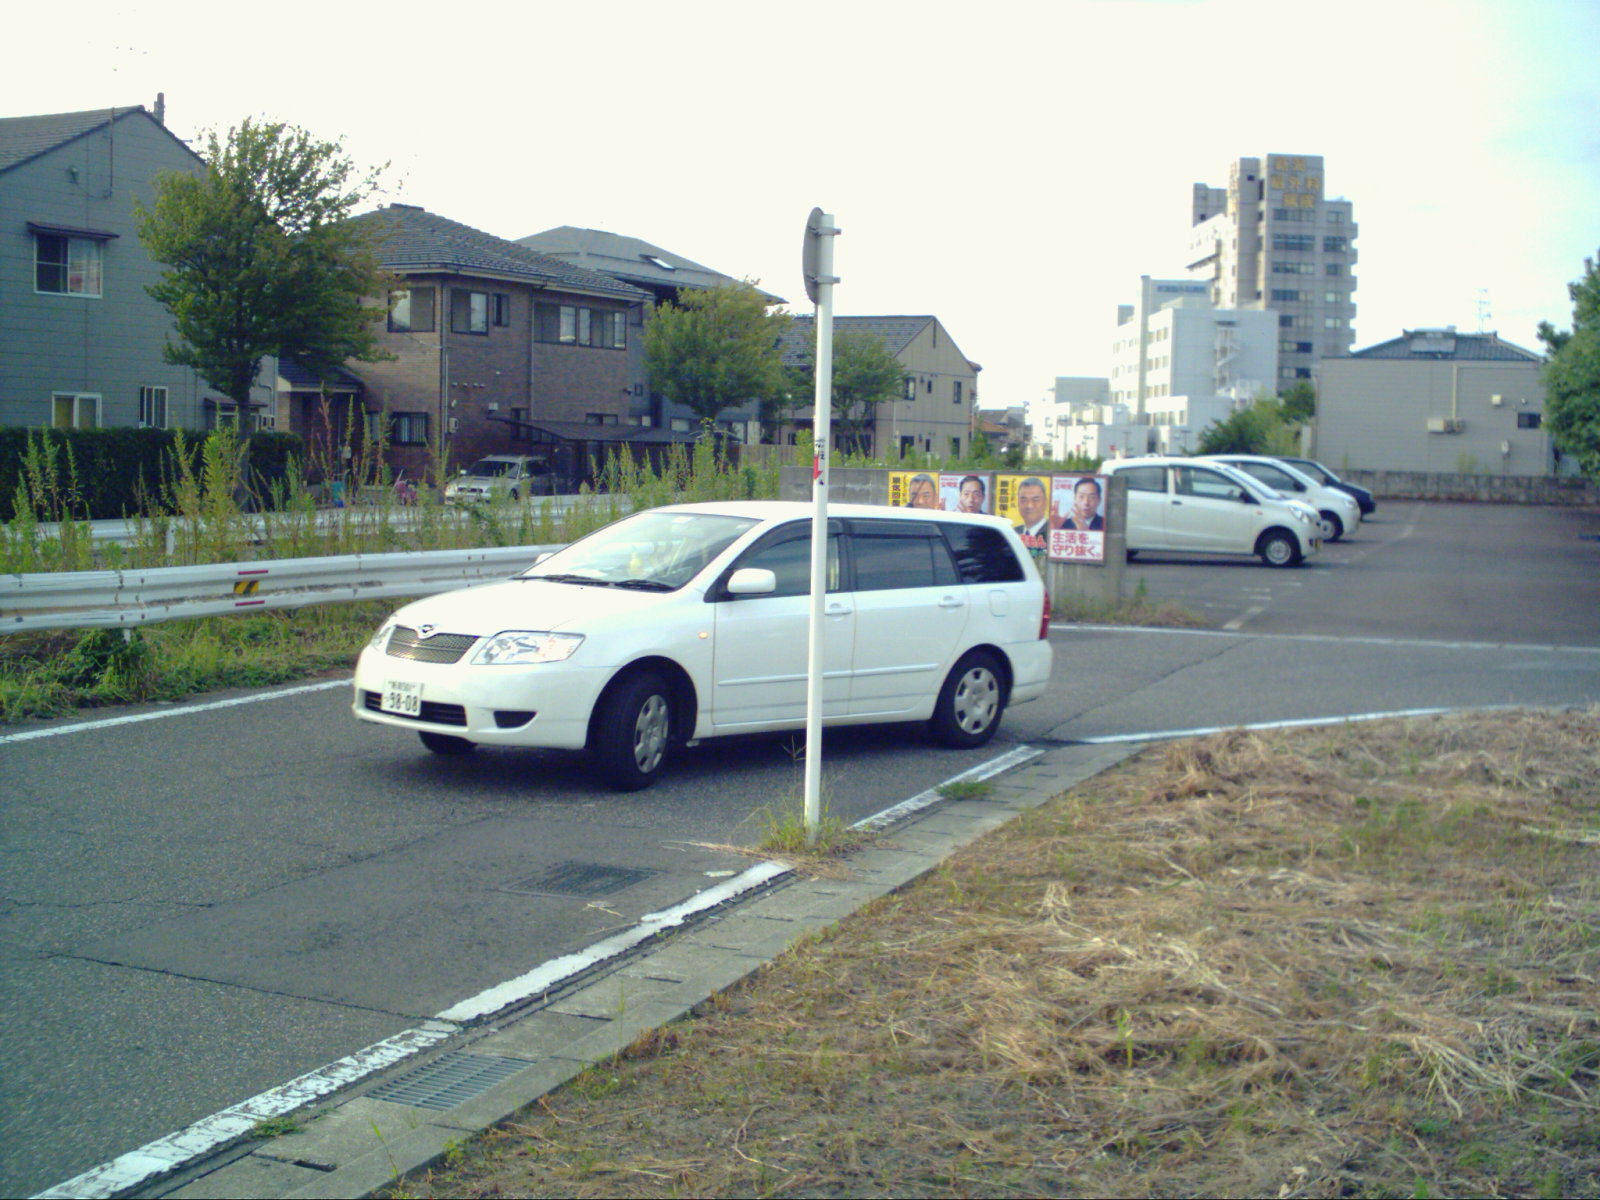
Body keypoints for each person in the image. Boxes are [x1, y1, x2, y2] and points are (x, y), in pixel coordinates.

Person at [1012, 477, 1051, 551]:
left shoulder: (1053, 534)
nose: (1029, 505)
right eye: (1024, 500)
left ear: (1045, 502)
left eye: (1035, 500)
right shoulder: (1012, 533)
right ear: (1018, 502)